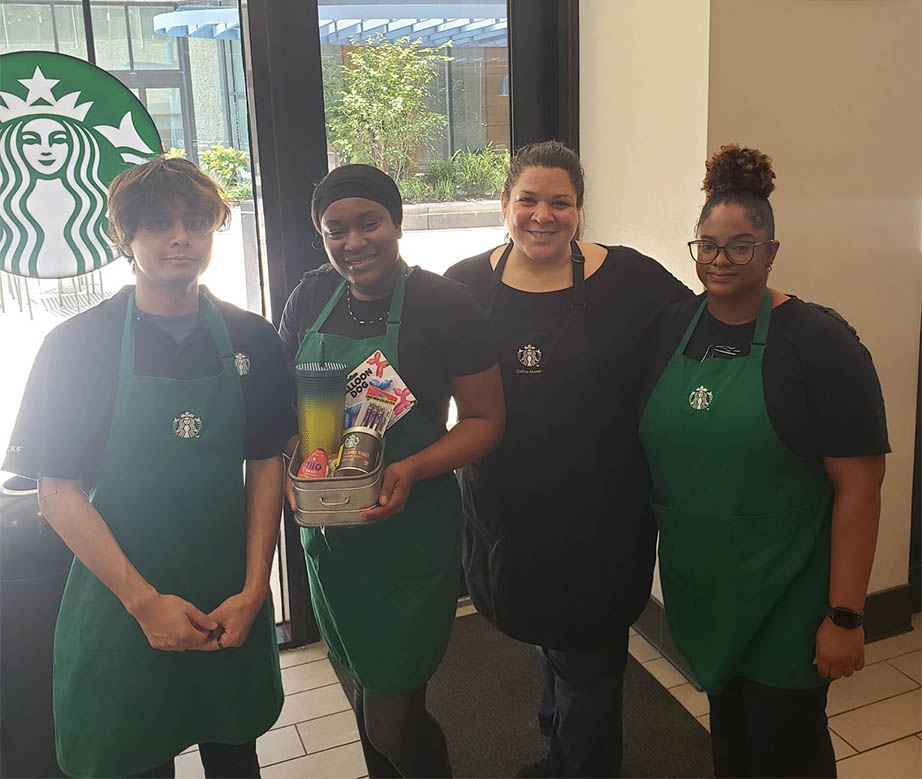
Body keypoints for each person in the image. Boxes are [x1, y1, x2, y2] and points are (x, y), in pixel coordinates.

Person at [3, 157, 293, 778]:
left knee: (234, 748)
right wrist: (142, 601)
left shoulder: (253, 339)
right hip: (120, 594)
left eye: (196, 221)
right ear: (123, 238)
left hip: (226, 589)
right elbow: (58, 493)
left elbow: (267, 463)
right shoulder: (79, 345)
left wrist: (253, 588)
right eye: (159, 223)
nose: (181, 237)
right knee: (133, 755)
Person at [638, 144, 888, 778]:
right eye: (707, 244)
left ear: (771, 252)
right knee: (733, 745)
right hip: (706, 592)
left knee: (787, 749)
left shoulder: (821, 344)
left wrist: (846, 615)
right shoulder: (671, 329)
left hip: (790, 600)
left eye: (740, 245)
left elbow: (860, 485)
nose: (720, 260)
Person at [444, 140, 690, 778]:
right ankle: (558, 754)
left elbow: (699, 332)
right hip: (507, 511)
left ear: (581, 210)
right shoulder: (466, 283)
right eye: (528, 199)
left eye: (561, 202)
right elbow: (414, 372)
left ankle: (582, 767)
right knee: (548, 642)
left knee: (589, 662)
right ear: (504, 204)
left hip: (600, 517)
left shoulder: (631, 278)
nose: (542, 215)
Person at [278, 164, 505, 779]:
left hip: (410, 535)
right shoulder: (309, 297)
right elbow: (288, 406)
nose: (353, 243)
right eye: (335, 231)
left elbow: (485, 421)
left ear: (396, 222)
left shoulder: (442, 303)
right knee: (362, 682)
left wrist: (409, 468)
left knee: (390, 712)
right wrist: (302, 460)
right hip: (332, 536)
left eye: (368, 222)